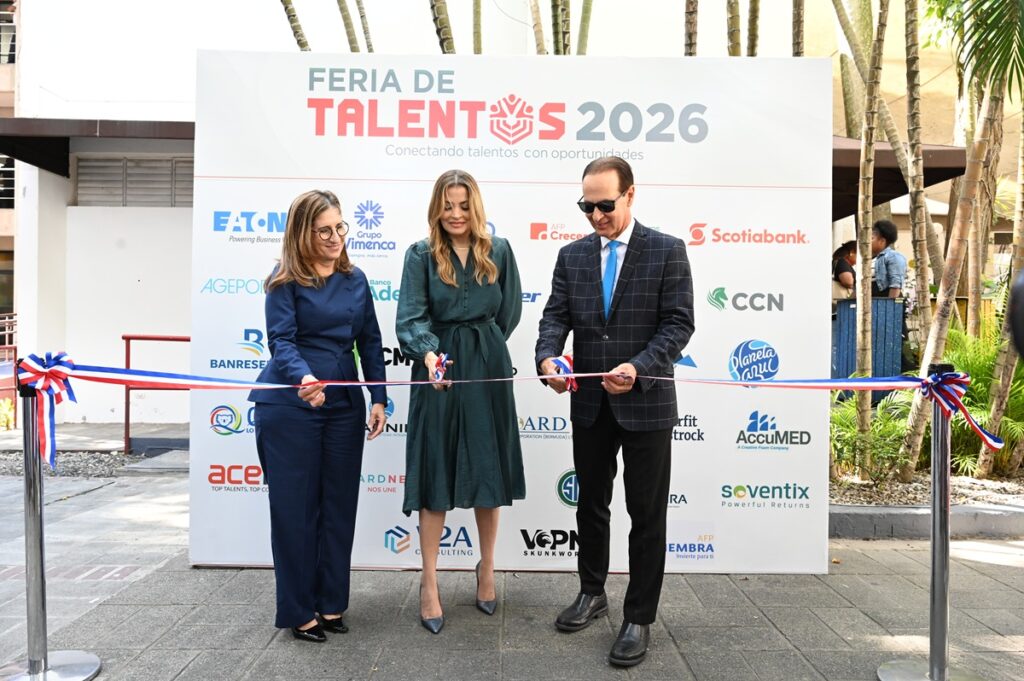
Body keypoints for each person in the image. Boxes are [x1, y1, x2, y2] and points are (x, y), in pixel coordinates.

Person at [535, 156, 694, 667]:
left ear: (630, 195)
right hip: (589, 403)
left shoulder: (667, 250)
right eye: (587, 207)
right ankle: (592, 592)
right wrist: (548, 359)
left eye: (605, 205)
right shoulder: (572, 256)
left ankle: (639, 617)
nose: (596, 216)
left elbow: (678, 324)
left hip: (646, 403)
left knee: (646, 515)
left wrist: (638, 367)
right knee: (591, 506)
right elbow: (555, 317)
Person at [249, 189, 388, 643]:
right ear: (301, 233)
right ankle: (297, 610)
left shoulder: (356, 279)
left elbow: (370, 340)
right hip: (291, 406)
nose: (334, 238)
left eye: (339, 227)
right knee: (295, 512)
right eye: (323, 230)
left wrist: (379, 398)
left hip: (344, 406)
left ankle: (331, 602)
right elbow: (281, 341)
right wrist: (304, 378)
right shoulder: (283, 281)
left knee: (338, 508)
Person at [396, 169, 525, 635]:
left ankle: (486, 567)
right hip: (439, 367)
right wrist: (432, 355)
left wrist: (484, 346)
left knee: (487, 465)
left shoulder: (500, 250)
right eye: (447, 205)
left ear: (476, 207)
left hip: (487, 365)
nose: (455, 214)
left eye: (463, 205)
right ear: (436, 207)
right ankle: (429, 581)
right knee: (436, 468)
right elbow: (410, 318)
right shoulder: (420, 255)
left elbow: (509, 312)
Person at [871, 219, 907, 298]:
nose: (868, 242)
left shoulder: (893, 257)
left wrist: (890, 304)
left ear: (882, 241)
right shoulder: (869, 259)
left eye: (872, 238)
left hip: (885, 301)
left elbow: (895, 285)